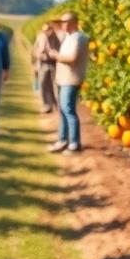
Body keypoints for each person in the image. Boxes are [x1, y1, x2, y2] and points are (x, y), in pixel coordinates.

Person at [47, 11, 90, 154]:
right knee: (64, 110)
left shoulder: (78, 38)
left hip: (71, 80)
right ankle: (63, 140)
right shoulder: (70, 37)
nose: (61, 25)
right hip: (64, 79)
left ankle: (74, 143)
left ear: (72, 23)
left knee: (69, 110)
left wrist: (56, 55)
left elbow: (72, 58)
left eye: (64, 22)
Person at [32, 19, 61, 113]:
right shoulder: (40, 37)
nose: (46, 32)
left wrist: (51, 53)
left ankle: (57, 105)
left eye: (48, 29)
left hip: (53, 63)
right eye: (45, 30)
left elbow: (58, 50)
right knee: (43, 84)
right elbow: (35, 50)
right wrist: (39, 55)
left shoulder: (56, 38)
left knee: (54, 85)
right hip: (43, 63)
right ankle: (46, 105)